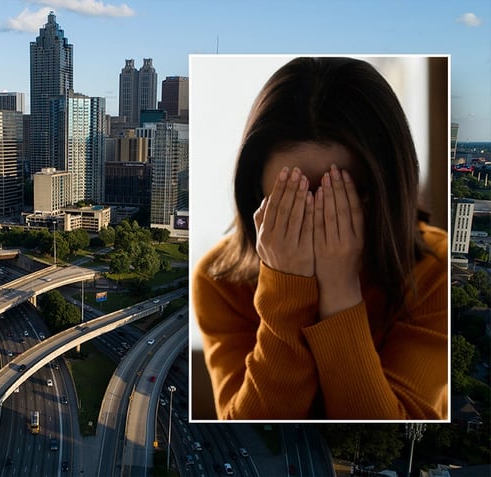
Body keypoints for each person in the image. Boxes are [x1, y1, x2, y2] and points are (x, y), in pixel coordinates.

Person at [192, 57, 448, 420]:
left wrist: (340, 289)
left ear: (385, 191)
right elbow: (250, 435)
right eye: (288, 201)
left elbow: (397, 438)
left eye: (339, 198)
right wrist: (286, 288)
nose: (314, 221)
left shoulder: (437, 271)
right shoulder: (219, 279)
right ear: (255, 195)